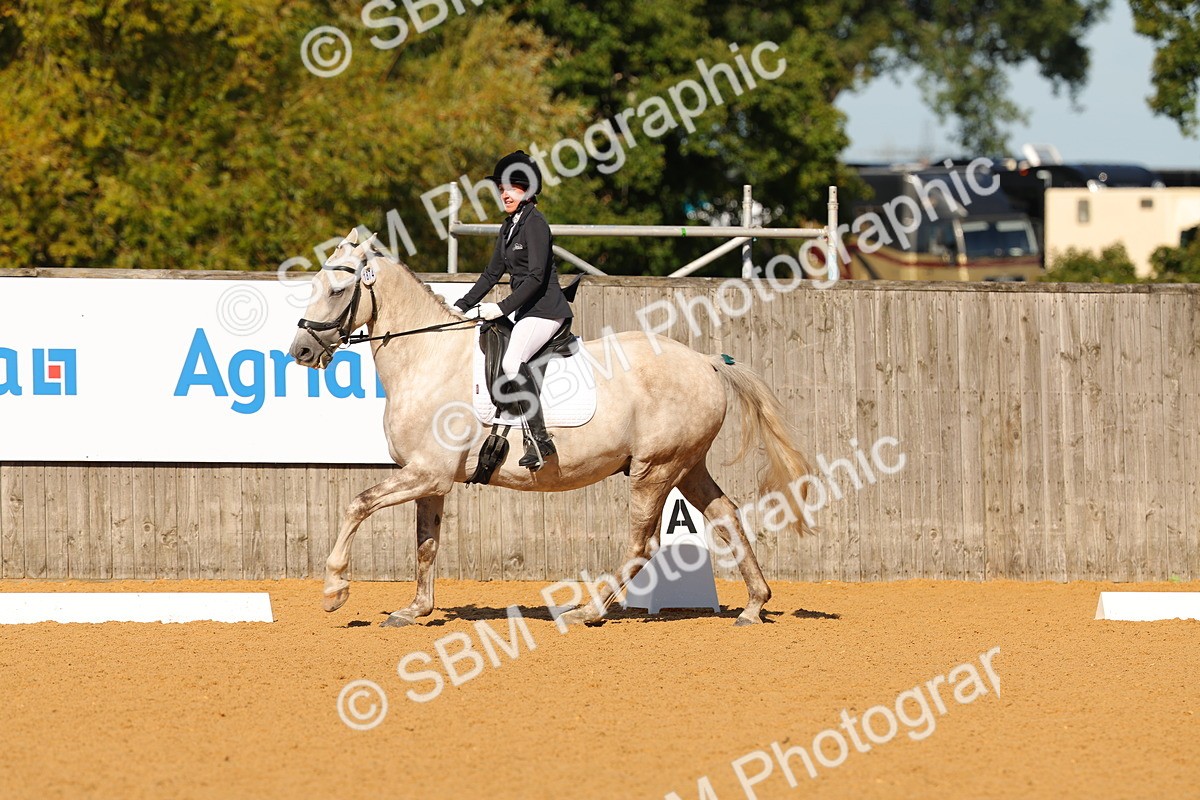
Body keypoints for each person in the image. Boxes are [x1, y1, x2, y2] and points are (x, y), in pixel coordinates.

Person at [453, 150, 572, 471]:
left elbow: (536, 277)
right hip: (527, 312)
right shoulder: (508, 226)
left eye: (513, 188)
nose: (505, 194)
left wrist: (501, 307)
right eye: (501, 188)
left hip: (546, 310)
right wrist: (460, 306)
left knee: (511, 361)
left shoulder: (535, 224)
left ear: (528, 190)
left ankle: (540, 441)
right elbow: (491, 274)